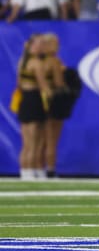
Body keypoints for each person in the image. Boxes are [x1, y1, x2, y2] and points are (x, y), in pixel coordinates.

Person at [16, 35, 52, 180]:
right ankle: (29, 172)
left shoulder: (22, 62)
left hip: (25, 99)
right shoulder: (36, 63)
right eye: (41, 44)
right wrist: (53, 97)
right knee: (34, 143)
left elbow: (19, 83)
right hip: (34, 101)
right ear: (32, 46)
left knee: (28, 143)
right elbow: (44, 86)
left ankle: (27, 172)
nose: (43, 46)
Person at [43, 33, 72, 179]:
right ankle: (50, 169)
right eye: (55, 43)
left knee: (41, 140)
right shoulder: (54, 61)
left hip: (39, 101)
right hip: (52, 102)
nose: (57, 45)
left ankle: (34, 169)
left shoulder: (35, 60)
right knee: (51, 139)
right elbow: (59, 84)